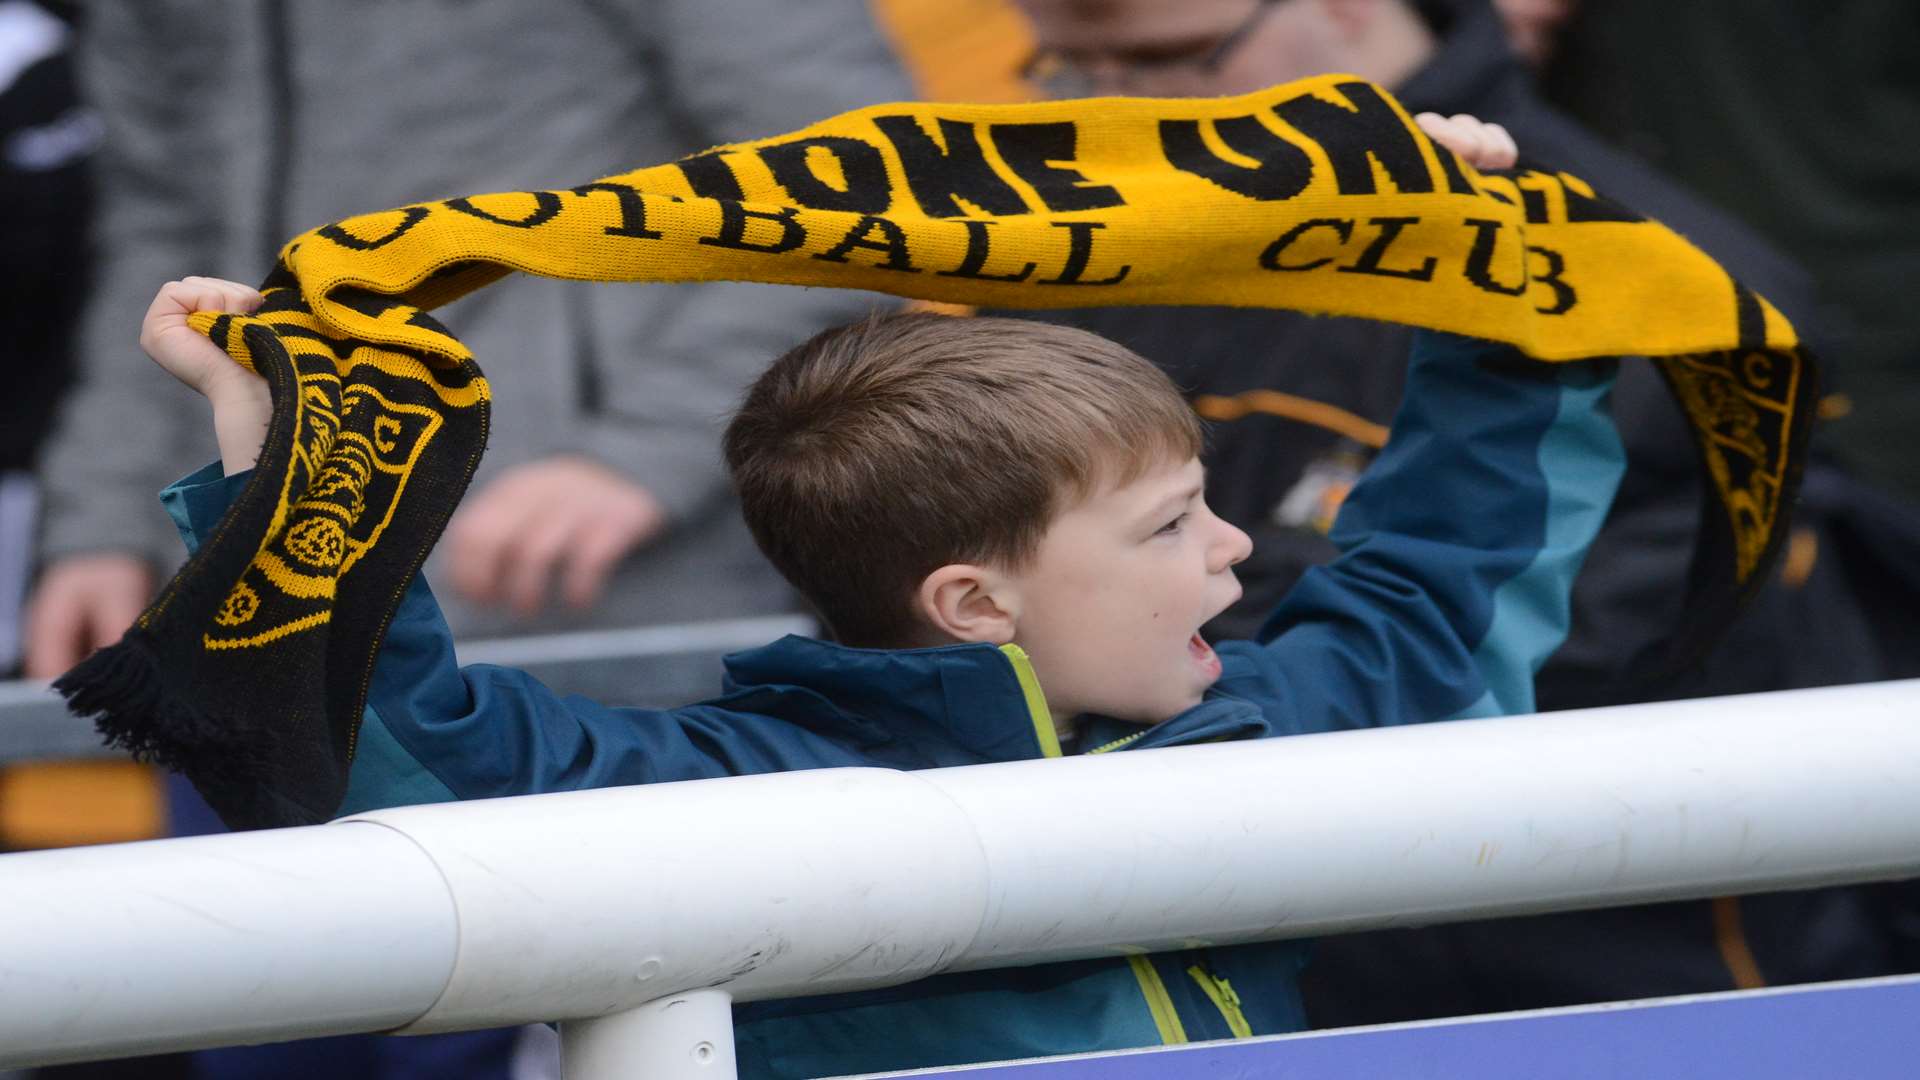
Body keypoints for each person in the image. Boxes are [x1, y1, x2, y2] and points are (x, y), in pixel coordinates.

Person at [132, 111, 1634, 1076]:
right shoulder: (738, 793)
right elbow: (415, 754)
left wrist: (1484, 279)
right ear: (976, 603)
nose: (1237, 551)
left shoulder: (1267, 714)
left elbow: (1444, 577)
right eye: (1174, 523)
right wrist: (291, 465)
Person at [996, 0, 1920, 1029]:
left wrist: (1148, 662)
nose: (1119, 101)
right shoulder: (1074, 242)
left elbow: (1586, 624)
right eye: (1068, 64)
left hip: (1620, 960)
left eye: (1169, 55)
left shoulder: (1651, 271)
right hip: (1271, 952)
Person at [23, 0, 912, 708]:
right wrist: (105, 520)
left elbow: (850, 182)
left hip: (608, 597)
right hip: (259, 600)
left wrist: (641, 452)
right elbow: (161, 239)